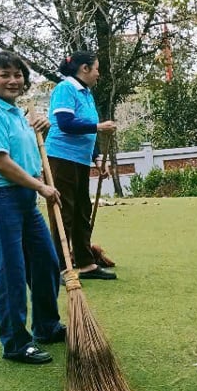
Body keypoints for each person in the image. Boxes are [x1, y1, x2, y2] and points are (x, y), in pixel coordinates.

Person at [0, 50, 65, 364]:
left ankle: (46, 326)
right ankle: (15, 343)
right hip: (0, 200)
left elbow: (27, 151)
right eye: (4, 75)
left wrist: (42, 128)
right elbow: (1, 163)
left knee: (47, 263)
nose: (13, 80)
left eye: (17, 74)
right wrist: (42, 187)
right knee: (10, 273)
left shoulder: (14, 113)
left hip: (24, 200)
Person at [45, 50, 117, 280]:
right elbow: (66, 123)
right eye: (96, 68)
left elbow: (88, 127)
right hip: (61, 157)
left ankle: (86, 263)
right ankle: (60, 267)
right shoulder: (65, 89)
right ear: (84, 68)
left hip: (80, 159)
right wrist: (98, 128)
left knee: (81, 210)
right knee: (64, 211)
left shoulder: (86, 93)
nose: (98, 73)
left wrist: (96, 157)